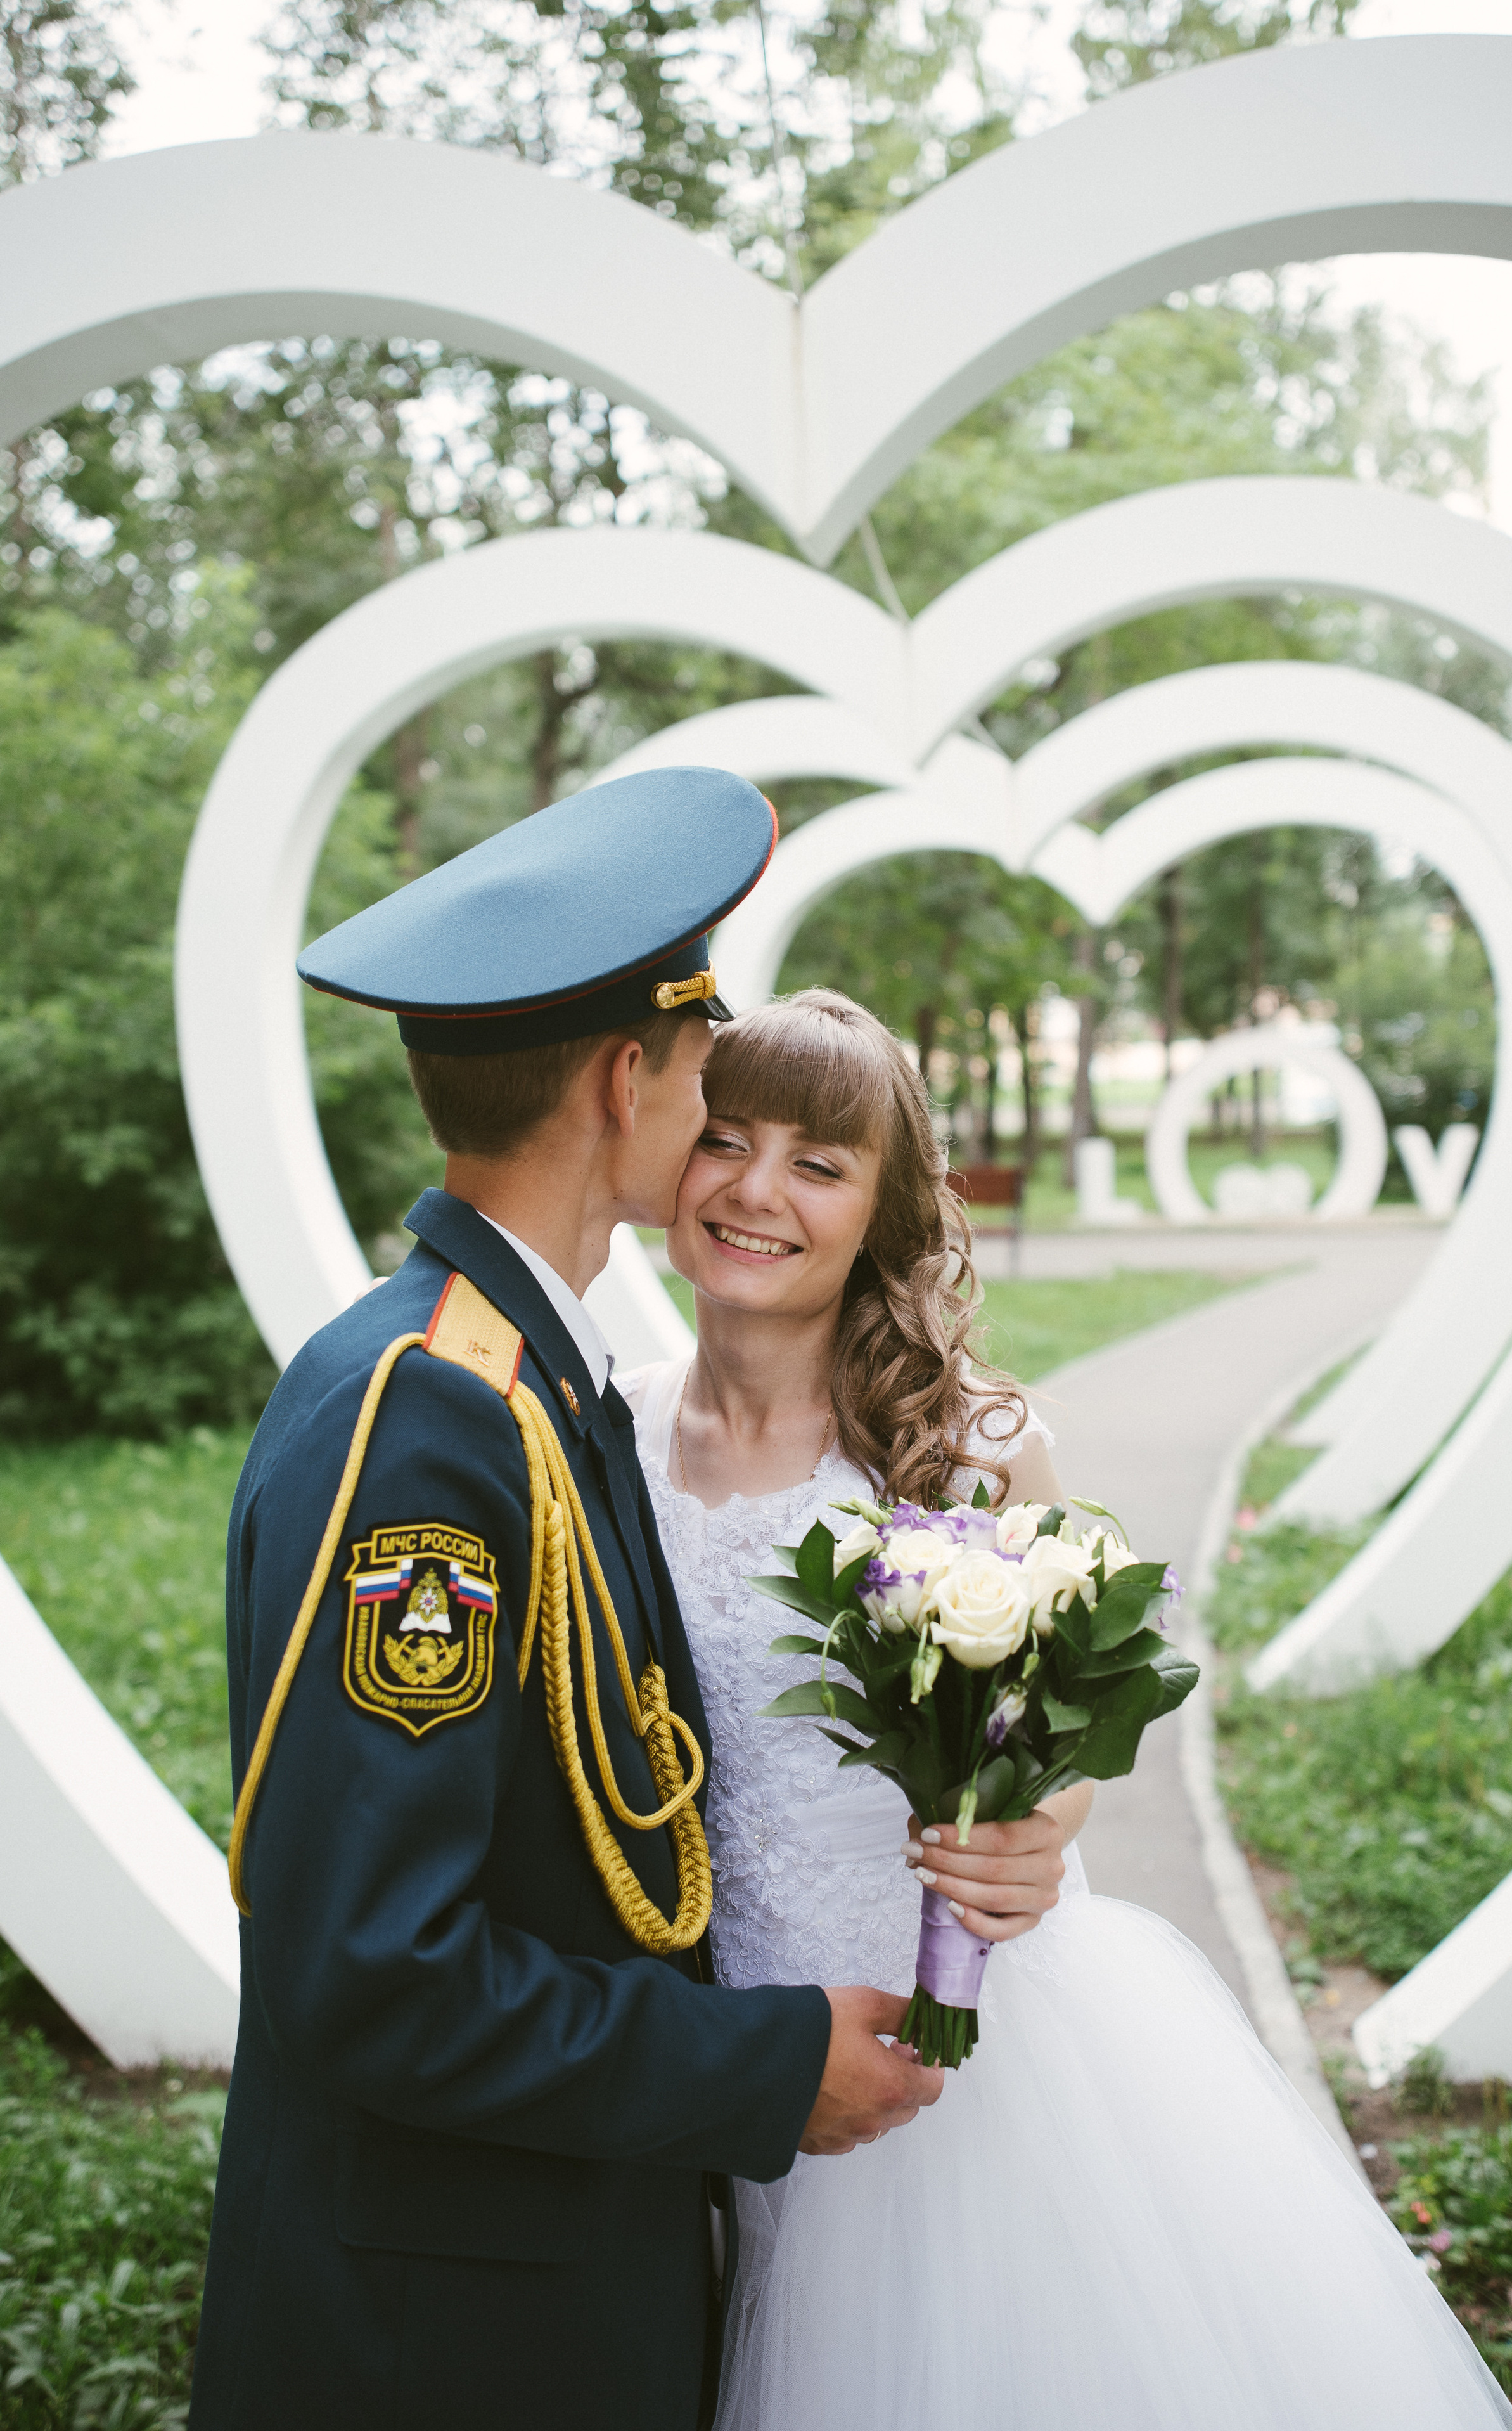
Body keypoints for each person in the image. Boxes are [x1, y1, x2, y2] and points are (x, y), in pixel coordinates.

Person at [617, 984, 1512, 2431]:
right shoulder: (613, 1426)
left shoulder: (966, 1448)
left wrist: (1038, 1830)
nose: (755, 1189)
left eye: (818, 1163)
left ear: (880, 1208)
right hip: (734, 2039)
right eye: (725, 1138)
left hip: (947, 2029)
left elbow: (1069, 1713)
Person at [188, 776, 942, 2431]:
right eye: (701, 1069)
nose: (710, 1112)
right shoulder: (433, 1427)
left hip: (530, 2270)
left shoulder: (519, 1378)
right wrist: (765, 2066)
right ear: (630, 1077)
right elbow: (383, 1971)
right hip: (443, 2337)